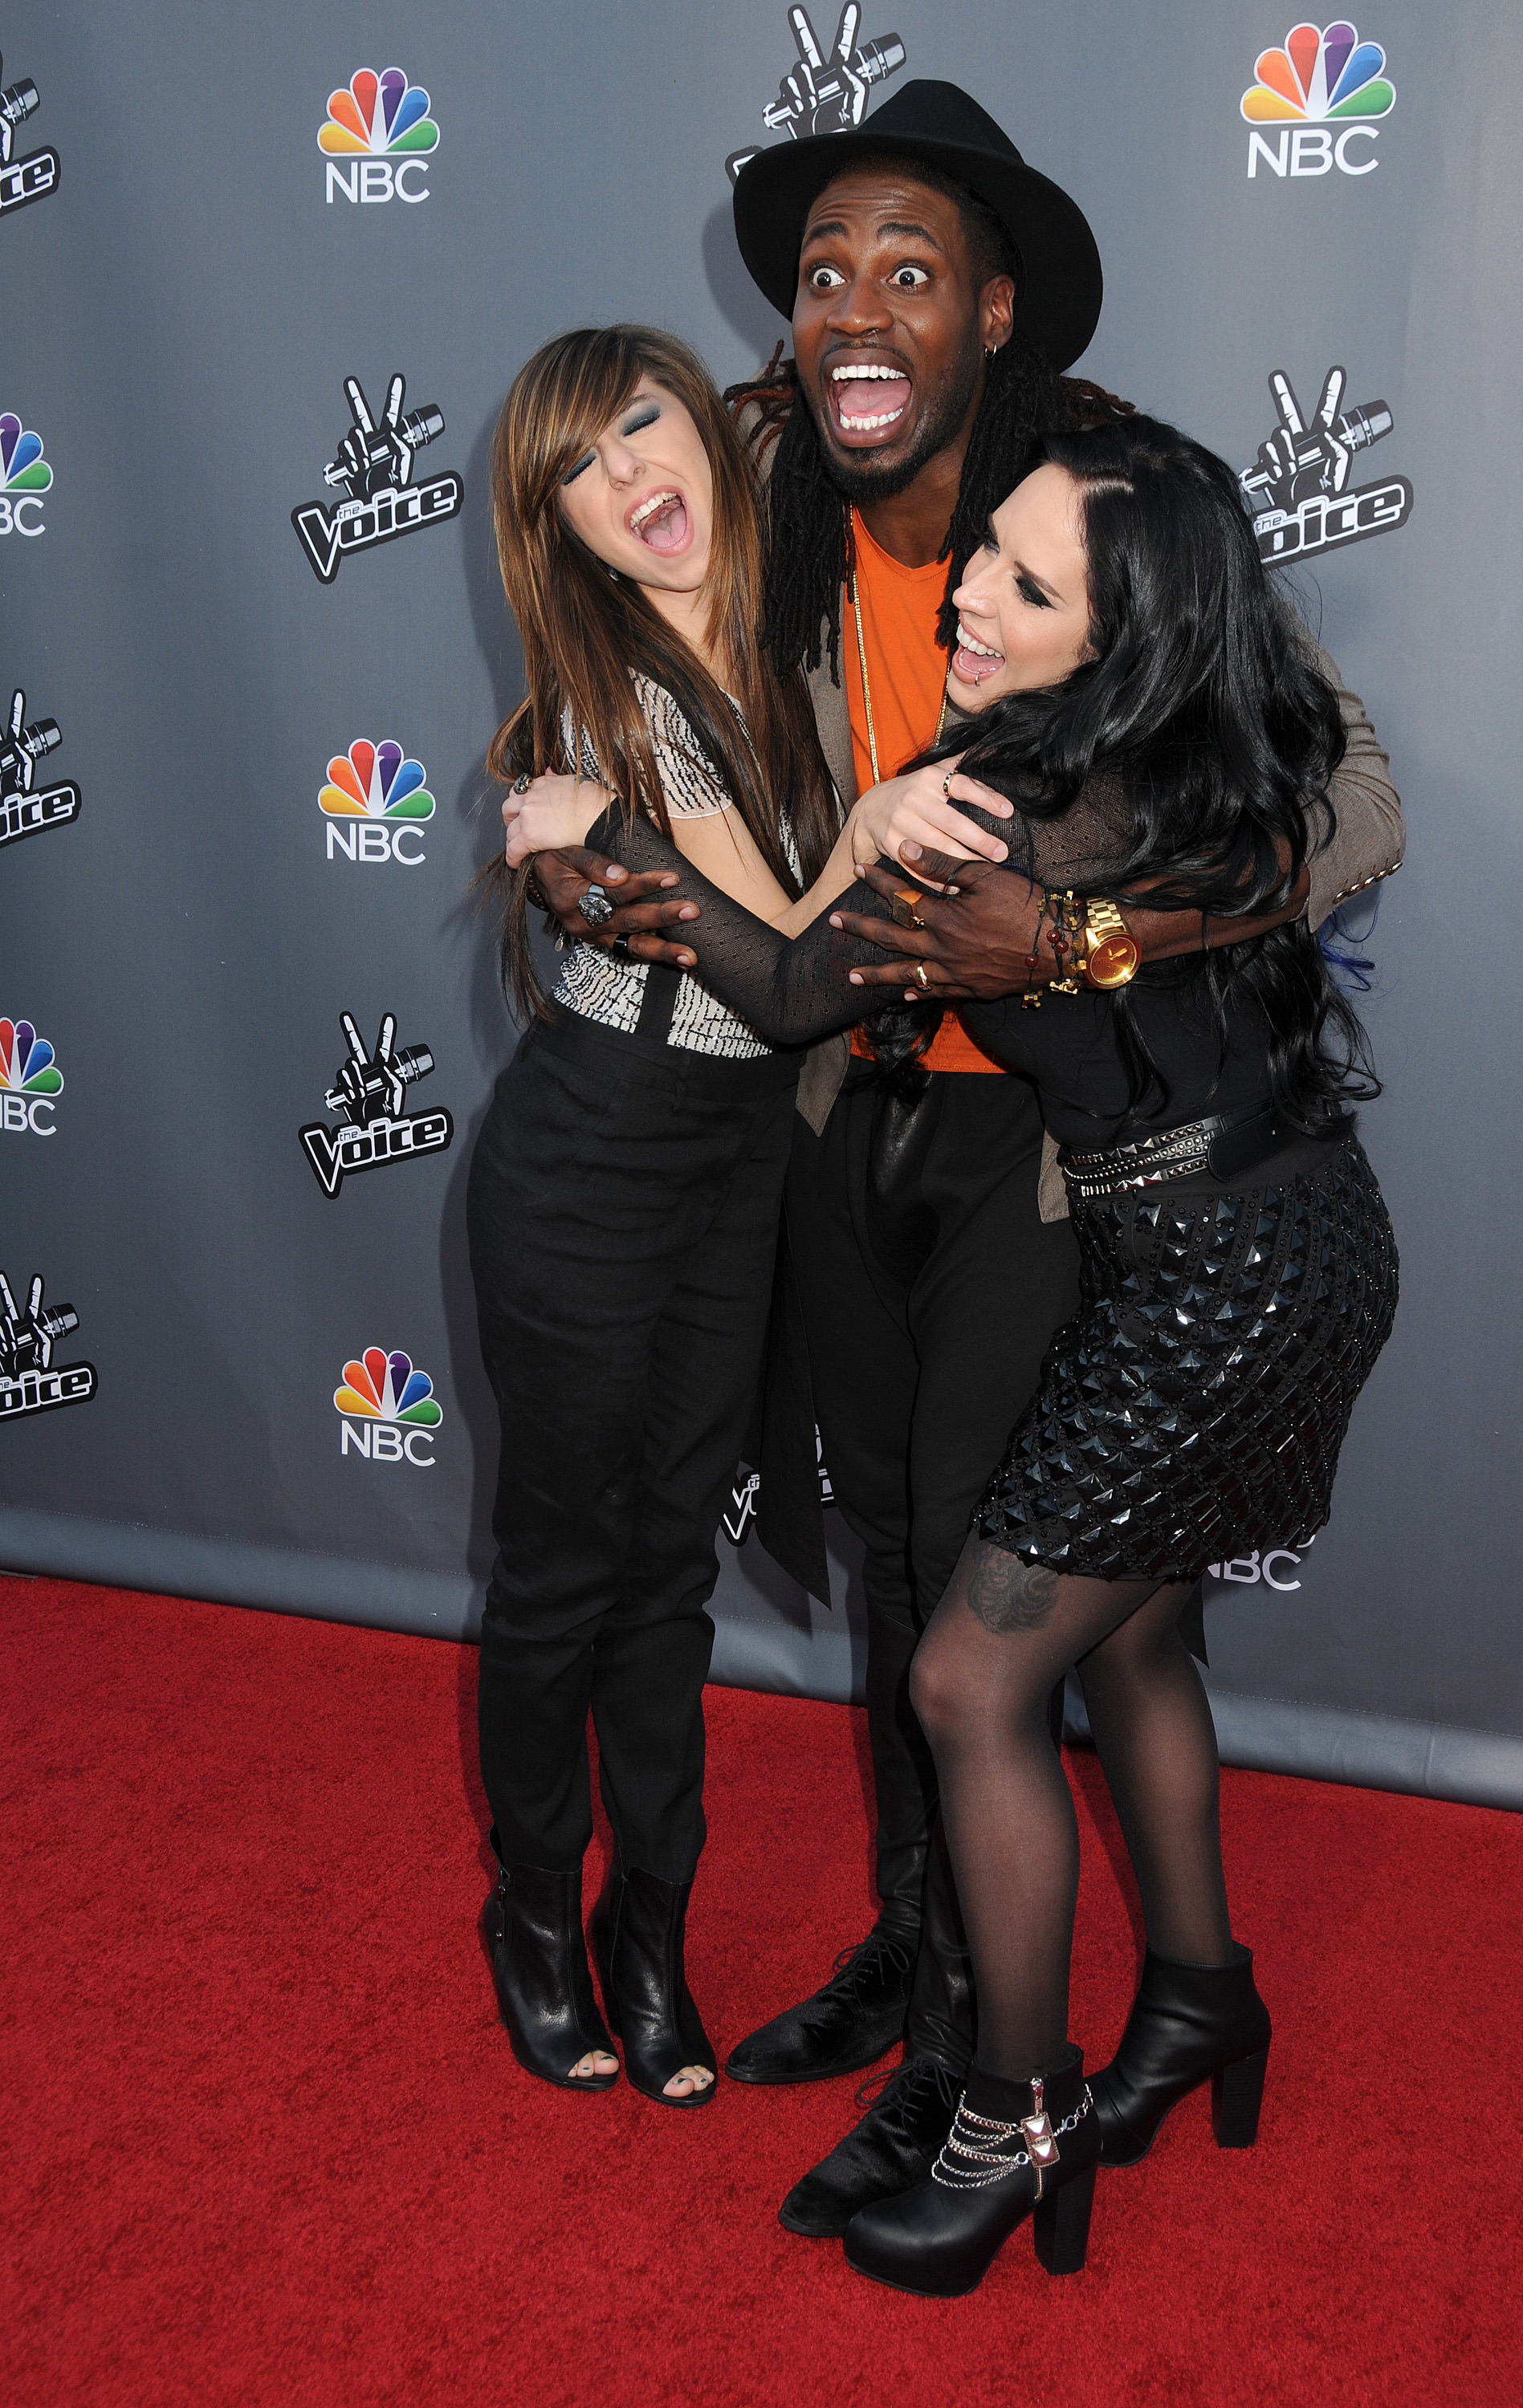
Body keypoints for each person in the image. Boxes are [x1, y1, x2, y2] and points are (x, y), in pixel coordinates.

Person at [518, 80, 1403, 2225]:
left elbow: (1351, 805)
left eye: (907, 270)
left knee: (975, 1605)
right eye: (823, 272)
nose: (856, 309)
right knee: (901, 1573)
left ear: (995, 312)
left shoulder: (1099, 492)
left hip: (1042, 1151)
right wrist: (552, 811)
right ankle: (923, 1960)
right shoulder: (772, 457)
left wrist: (1081, 935)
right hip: (848, 1110)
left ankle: (970, 2066)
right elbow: (602, 574)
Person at [470, 322, 995, 2109]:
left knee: (669, 1576)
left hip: (741, 1169)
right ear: (558, 529)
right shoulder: (595, 712)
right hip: (590, 1163)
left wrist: (879, 810)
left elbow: (782, 978)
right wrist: (874, 825)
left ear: (702, 425)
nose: (629, 476)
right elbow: (780, 965)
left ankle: (652, 1931)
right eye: (579, 469)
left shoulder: (791, 641)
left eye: (641, 423)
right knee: (564, 1571)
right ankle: (538, 1914)